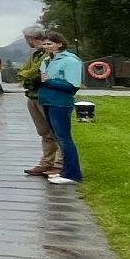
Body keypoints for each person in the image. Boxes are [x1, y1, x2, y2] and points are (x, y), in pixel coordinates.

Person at [36, 31, 84, 184]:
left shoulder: (70, 61)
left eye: (49, 43)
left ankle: (72, 174)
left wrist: (48, 82)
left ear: (59, 44)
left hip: (60, 103)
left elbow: (72, 85)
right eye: (44, 44)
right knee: (58, 137)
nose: (46, 46)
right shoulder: (47, 61)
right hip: (48, 101)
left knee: (64, 138)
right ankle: (64, 170)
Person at [18, 26, 61, 177]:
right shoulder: (36, 54)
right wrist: (27, 75)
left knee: (56, 131)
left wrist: (29, 76)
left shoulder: (47, 54)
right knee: (44, 132)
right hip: (32, 96)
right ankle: (47, 162)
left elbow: (37, 72)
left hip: (45, 96)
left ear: (31, 38)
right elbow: (23, 71)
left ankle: (59, 164)